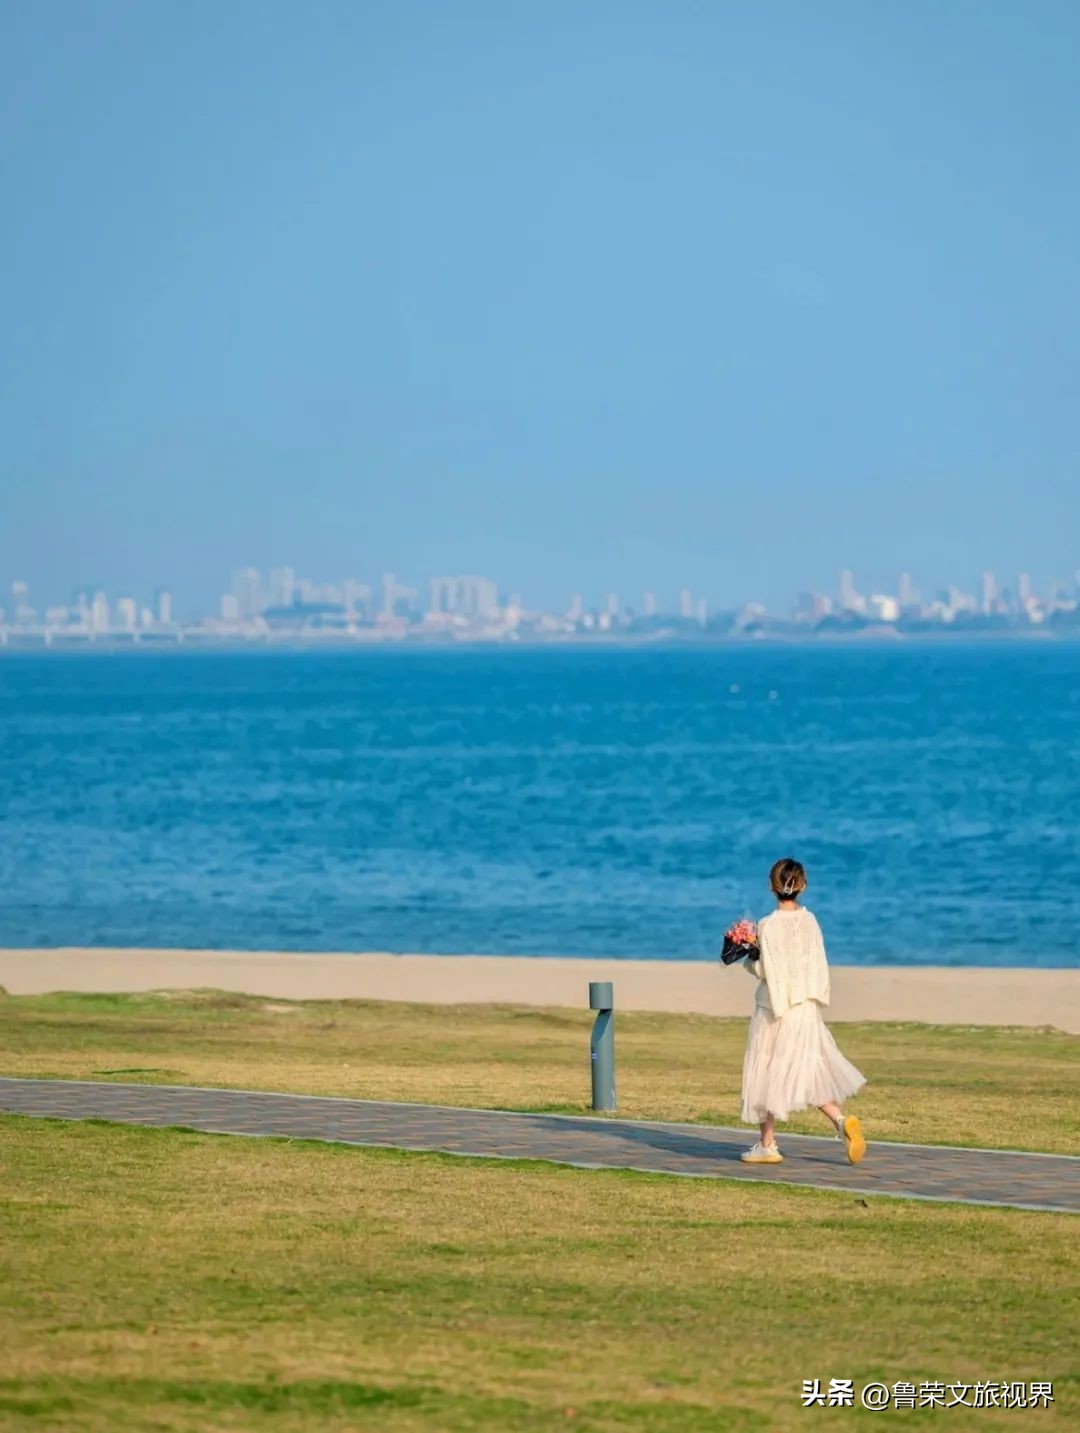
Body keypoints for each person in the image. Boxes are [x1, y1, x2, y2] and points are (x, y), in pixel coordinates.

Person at [739, 857, 867, 1165]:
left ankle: (767, 1144)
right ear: (803, 886)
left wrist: (747, 954)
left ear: (772, 887)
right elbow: (814, 963)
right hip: (806, 1008)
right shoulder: (810, 922)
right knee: (805, 1071)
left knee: (767, 1071)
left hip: (775, 1009)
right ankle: (840, 1121)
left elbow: (767, 970)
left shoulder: (768, 925)